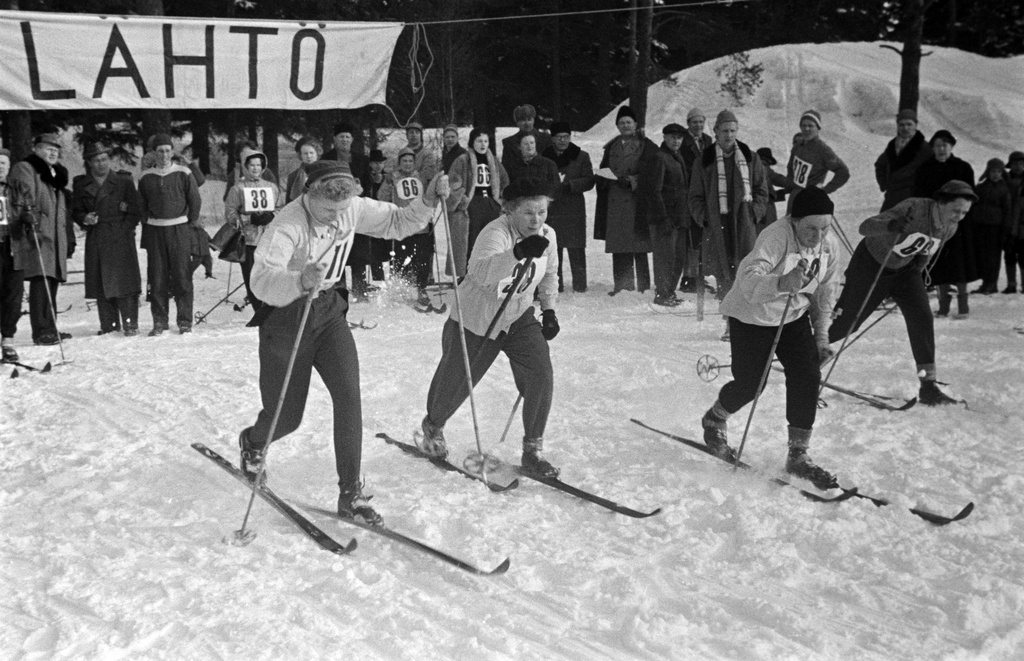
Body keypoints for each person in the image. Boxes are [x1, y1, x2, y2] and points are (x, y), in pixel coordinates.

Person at [238, 161, 450, 525]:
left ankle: (351, 493)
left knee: (349, 396)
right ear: (309, 195)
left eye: (341, 211)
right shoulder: (288, 225)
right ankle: (254, 442)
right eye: (327, 212)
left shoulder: (350, 207)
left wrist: (427, 201)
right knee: (286, 417)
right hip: (286, 316)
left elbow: (398, 222)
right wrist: (298, 281)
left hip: (328, 312)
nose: (336, 218)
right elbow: (260, 281)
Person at [418, 177, 561, 478]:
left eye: (542, 212)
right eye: (528, 213)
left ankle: (532, 449)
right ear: (511, 210)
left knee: (540, 373)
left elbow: (549, 274)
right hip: (479, 315)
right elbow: (480, 273)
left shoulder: (548, 235)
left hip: (518, 314)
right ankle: (433, 425)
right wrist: (517, 253)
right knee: (457, 379)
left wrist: (548, 311)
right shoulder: (495, 232)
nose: (536, 220)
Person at [700, 187, 841, 490]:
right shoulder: (776, 237)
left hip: (793, 316)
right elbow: (747, 278)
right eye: (811, 228)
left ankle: (798, 454)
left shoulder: (828, 245)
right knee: (752, 384)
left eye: (825, 228)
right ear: (794, 220)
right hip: (753, 317)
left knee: (807, 374)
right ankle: (715, 418)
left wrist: (821, 337)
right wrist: (782, 281)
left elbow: (825, 292)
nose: (818, 236)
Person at [827, 180, 977, 405]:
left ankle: (928, 387)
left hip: (905, 271)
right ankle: (802, 358)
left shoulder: (950, 227)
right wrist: (892, 225)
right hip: (872, 265)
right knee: (847, 323)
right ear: (940, 202)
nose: (959, 217)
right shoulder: (914, 208)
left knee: (922, 318)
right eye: (956, 210)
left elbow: (927, 248)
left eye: (964, 212)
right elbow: (865, 227)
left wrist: (919, 269)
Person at [688, 109, 770, 312]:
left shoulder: (750, 158)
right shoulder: (704, 161)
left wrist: (753, 214)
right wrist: (705, 218)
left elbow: (761, 191)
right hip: (717, 225)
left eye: (733, 130)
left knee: (746, 268)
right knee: (723, 271)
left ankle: (744, 315)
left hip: (743, 224)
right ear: (716, 131)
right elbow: (695, 197)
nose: (729, 135)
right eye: (725, 131)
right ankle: (728, 316)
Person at [8, 132, 75, 346]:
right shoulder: (27, 168)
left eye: (56, 150)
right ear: (36, 149)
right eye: (48, 148)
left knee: (51, 280)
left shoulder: (54, 174)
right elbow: (23, 199)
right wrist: (30, 221)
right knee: (41, 280)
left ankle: (50, 327)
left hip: (54, 236)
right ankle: (41, 331)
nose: (53, 152)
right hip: (36, 234)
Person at [71, 142, 143, 336]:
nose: (101, 164)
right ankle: (109, 325)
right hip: (97, 235)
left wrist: (125, 230)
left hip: (121, 236)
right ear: (89, 163)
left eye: (104, 159)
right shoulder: (81, 184)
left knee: (126, 282)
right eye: (96, 160)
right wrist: (84, 218)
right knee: (101, 280)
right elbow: (76, 210)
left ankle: (130, 324)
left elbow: (135, 210)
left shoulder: (123, 181)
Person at [138, 133, 203, 336]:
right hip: (156, 231)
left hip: (179, 230)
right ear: (153, 153)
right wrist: (149, 220)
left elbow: (195, 200)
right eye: (160, 151)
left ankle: (184, 321)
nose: (164, 155)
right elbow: (141, 204)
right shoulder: (146, 176)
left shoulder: (183, 172)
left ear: (172, 152)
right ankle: (159, 321)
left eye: (167, 151)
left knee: (182, 275)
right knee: (157, 277)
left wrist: (188, 222)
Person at [594, 106, 660, 295]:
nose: (625, 125)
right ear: (617, 125)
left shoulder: (646, 145)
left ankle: (642, 287)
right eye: (622, 122)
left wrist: (632, 181)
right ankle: (623, 286)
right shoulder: (612, 146)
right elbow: (604, 168)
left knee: (639, 245)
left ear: (636, 124)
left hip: (636, 201)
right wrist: (603, 176)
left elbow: (652, 171)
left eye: (629, 122)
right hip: (615, 201)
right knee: (619, 245)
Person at [914, 129, 977, 318]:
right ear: (932, 148)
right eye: (937, 145)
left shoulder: (963, 168)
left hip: (959, 225)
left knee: (960, 265)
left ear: (951, 147)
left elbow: (971, 197)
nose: (941, 149)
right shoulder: (924, 169)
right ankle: (943, 308)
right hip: (936, 224)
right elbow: (918, 195)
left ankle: (963, 307)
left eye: (945, 145)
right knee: (939, 265)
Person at [225, 146, 284, 312]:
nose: (256, 168)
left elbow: (281, 208)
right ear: (245, 166)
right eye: (252, 165)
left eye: (259, 165)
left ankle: (272, 310)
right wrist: (249, 219)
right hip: (249, 239)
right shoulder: (237, 189)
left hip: (269, 239)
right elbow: (230, 214)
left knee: (271, 275)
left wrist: (272, 215)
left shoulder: (271, 187)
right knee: (252, 277)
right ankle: (259, 311)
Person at [323, 122, 375, 301]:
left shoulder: (361, 159)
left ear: (352, 139)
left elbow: (368, 185)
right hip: (335, 212)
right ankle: (339, 291)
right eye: (341, 137)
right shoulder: (326, 159)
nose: (344, 140)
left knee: (358, 250)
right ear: (334, 139)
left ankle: (360, 290)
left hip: (355, 210)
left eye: (347, 137)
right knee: (337, 250)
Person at [541, 121, 594, 293]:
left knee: (576, 247)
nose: (563, 140)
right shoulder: (545, 157)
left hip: (574, 208)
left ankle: (580, 284)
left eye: (566, 137)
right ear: (552, 139)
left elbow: (589, 180)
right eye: (559, 137)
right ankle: (556, 284)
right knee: (554, 247)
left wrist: (571, 185)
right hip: (553, 208)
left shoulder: (581, 156)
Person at [447, 127, 508, 275]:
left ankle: (488, 273)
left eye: (486, 141)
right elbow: (454, 182)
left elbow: (504, 181)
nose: (483, 144)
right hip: (473, 204)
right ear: (472, 142)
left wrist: (500, 200)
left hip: (491, 204)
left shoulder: (493, 161)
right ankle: (468, 273)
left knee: (490, 239)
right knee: (471, 239)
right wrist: (463, 200)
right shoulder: (463, 160)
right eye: (479, 141)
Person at [377, 148, 433, 304]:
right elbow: (381, 197)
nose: (407, 164)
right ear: (399, 163)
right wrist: (388, 184)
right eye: (404, 161)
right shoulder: (393, 178)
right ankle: (401, 290)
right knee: (401, 258)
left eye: (410, 161)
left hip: (421, 225)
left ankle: (421, 289)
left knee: (422, 259)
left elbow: (430, 195)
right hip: (402, 225)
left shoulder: (421, 177)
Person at [649, 123, 690, 306]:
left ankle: (670, 292)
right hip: (665, 219)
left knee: (677, 257)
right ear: (664, 137)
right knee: (665, 258)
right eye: (672, 137)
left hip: (679, 218)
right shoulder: (660, 158)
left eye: (679, 137)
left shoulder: (676, 157)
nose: (676, 141)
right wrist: (663, 218)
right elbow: (654, 191)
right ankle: (662, 294)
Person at [782, 109, 850, 213]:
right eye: (803, 125)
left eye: (811, 126)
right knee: (791, 222)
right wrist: (788, 187)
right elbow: (791, 168)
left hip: (811, 199)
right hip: (794, 197)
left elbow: (843, 172)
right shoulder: (797, 146)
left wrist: (824, 191)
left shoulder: (823, 149)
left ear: (818, 128)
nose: (806, 129)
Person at [874, 109, 932, 212]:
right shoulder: (893, 145)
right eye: (901, 125)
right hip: (892, 196)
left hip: (913, 197)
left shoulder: (924, 148)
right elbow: (880, 165)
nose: (905, 128)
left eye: (909, 124)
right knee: (884, 221)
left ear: (915, 125)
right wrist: (884, 183)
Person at [971, 159, 1012, 295]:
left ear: (1002, 173)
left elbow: (1007, 211)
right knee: (982, 256)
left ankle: (992, 284)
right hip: (980, 226)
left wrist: (1005, 230)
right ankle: (985, 283)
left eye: (998, 171)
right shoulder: (981, 187)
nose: (995, 174)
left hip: (995, 228)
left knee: (993, 257)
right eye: (993, 171)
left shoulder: (1004, 189)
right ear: (988, 172)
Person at [0, 148, 24, 361]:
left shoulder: (18, 187)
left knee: (14, 297)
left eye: (3, 163)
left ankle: (8, 340)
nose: (0, 167)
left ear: (9, 167)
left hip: (13, 247)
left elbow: (30, 209)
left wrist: (30, 218)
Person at [501, 104, 551, 173]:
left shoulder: (546, 139)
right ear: (517, 122)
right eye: (523, 120)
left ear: (533, 120)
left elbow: (552, 166)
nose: (527, 123)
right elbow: (506, 170)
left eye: (529, 119)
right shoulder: (510, 143)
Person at [1003, 151, 1024, 294]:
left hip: (1022, 225)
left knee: (1023, 255)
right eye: (1015, 164)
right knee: (1009, 254)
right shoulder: (1004, 180)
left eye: (1021, 163)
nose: (1017, 166)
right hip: (1008, 223)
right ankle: (1011, 284)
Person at [285, 137, 322, 204]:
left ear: (317, 154)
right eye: (305, 153)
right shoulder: (293, 176)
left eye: (311, 153)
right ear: (300, 155)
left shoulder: (326, 172)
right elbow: (288, 203)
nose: (309, 156)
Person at [757, 147, 787, 228]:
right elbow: (779, 179)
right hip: (765, 209)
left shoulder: (751, 170)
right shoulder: (764, 169)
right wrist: (794, 184)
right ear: (767, 160)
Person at [404, 121, 438, 187]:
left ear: (420, 135)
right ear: (407, 136)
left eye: (417, 132)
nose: (414, 135)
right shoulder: (402, 154)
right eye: (411, 132)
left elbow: (427, 176)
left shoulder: (428, 154)